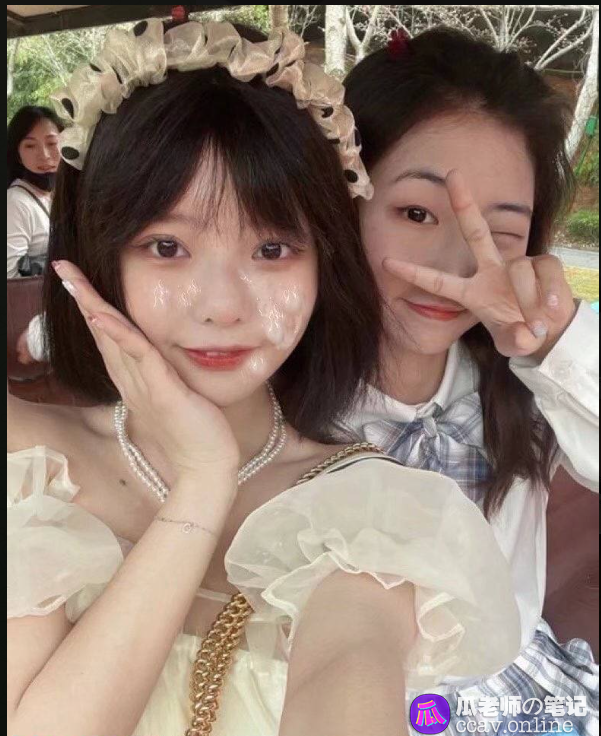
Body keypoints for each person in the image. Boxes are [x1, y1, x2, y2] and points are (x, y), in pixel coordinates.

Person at [6, 20, 520, 736]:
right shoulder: (27, 462)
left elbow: (348, 668)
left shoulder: (367, 513)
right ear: (98, 256)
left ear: (323, 265)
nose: (223, 306)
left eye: (273, 249)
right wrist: (201, 485)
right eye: (167, 246)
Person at [343, 27, 599, 736]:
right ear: (340, 203)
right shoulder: (275, 397)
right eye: (415, 213)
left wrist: (555, 344)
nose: (458, 266)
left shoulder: (527, 384)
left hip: (507, 695)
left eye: (500, 233)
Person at [7, 106, 62, 365]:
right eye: (30, 146)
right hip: (32, 331)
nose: (45, 155)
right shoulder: (16, 202)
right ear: (17, 154)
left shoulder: (56, 195)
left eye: (52, 143)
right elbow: (9, 276)